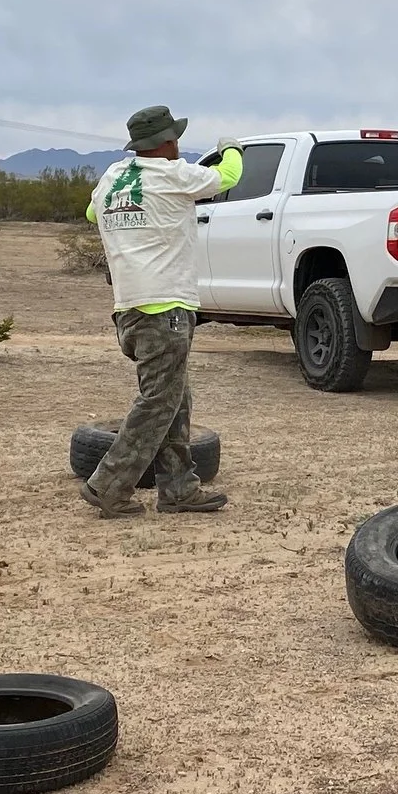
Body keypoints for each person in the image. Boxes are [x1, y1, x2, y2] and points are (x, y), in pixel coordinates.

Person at [82, 104, 244, 517]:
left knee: (174, 398)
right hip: (166, 308)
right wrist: (231, 148)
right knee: (158, 402)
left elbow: (91, 212)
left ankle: (178, 488)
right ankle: (108, 484)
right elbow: (227, 177)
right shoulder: (174, 175)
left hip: (129, 308)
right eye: (176, 139)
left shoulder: (112, 178)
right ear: (167, 141)